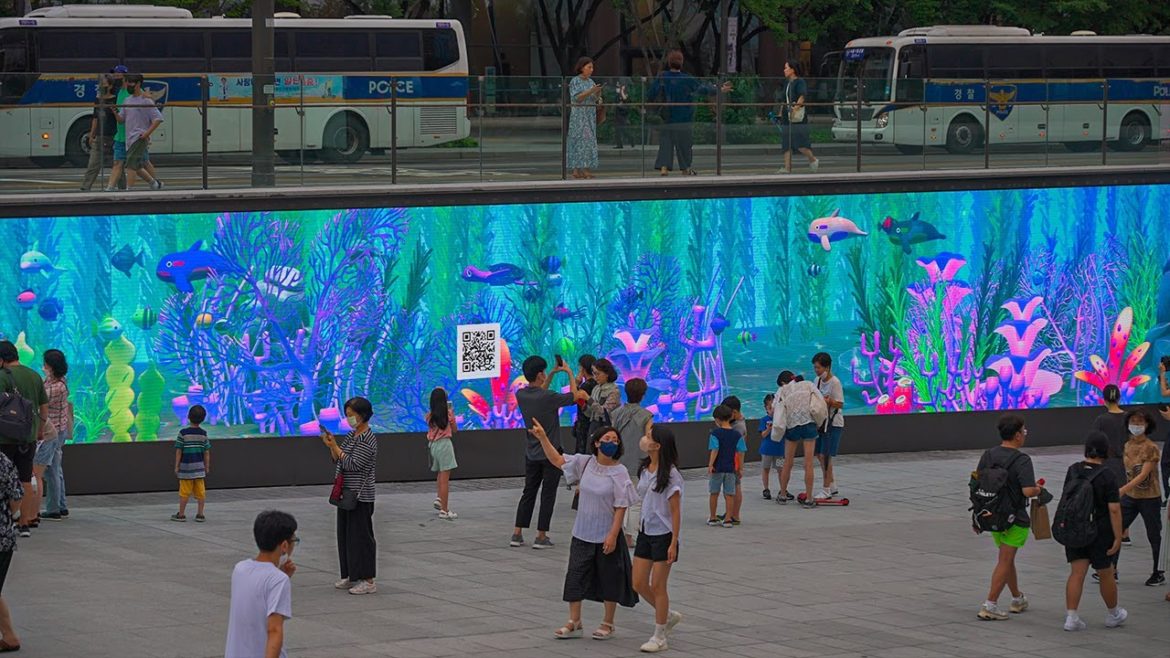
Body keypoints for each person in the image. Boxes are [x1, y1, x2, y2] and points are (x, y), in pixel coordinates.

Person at [527, 420, 638, 640]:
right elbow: (558, 460)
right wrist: (543, 438)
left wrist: (613, 535)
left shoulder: (620, 472)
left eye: (615, 440)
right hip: (582, 532)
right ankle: (574, 621)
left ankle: (608, 623)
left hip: (606, 534)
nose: (611, 443)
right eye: (607, 439)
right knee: (575, 575)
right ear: (596, 443)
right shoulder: (585, 463)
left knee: (609, 577)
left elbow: (621, 506)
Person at [512, 356, 583, 549]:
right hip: (551, 453)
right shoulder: (549, 397)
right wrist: (569, 372)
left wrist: (551, 373)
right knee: (548, 494)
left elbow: (539, 392)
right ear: (539, 374)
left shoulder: (521, 395)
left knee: (528, 492)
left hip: (531, 453)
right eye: (543, 372)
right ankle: (541, 535)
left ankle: (517, 533)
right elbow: (574, 396)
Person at [975, 414, 1040, 621]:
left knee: (1006, 558)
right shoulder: (1022, 460)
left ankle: (1017, 598)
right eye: (1024, 431)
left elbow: (978, 482)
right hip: (1015, 518)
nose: (1025, 434)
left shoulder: (988, 455)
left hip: (992, 515)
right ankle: (990, 604)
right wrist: (1038, 489)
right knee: (1005, 559)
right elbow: (1028, 491)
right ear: (1017, 435)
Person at [1062, 431, 1127, 632]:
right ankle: (1113, 614)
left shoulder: (1073, 470)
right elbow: (1114, 509)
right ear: (1106, 450)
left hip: (1076, 529)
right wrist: (1118, 536)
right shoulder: (1108, 475)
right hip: (1100, 531)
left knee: (1076, 573)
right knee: (1106, 572)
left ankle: (1071, 617)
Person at [631, 424, 683, 653]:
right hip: (645, 531)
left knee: (658, 585)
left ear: (658, 445)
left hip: (664, 534)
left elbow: (675, 511)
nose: (645, 439)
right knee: (638, 583)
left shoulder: (671, 475)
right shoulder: (645, 468)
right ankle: (667, 615)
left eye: (649, 436)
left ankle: (660, 636)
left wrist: (674, 541)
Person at [320, 397, 378, 595]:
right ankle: (351, 575)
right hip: (346, 493)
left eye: (351, 415)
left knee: (361, 537)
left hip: (360, 495)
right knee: (345, 536)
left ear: (363, 415)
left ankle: (368, 580)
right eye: (347, 415)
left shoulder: (368, 439)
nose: (349, 419)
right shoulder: (352, 435)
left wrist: (336, 448)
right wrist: (332, 446)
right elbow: (339, 459)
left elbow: (353, 464)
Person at [224, 510, 298, 658]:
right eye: (294, 541)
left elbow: (257, 596)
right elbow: (274, 630)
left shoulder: (240, 569)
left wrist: (281, 573)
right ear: (284, 545)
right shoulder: (278, 580)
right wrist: (281, 576)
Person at [648, 50, 732, 176]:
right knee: (684, 144)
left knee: (666, 141)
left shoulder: (662, 77)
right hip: (684, 117)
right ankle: (685, 168)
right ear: (681, 63)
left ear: (669, 63)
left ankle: (664, 167)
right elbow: (702, 89)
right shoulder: (687, 79)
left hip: (666, 116)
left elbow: (651, 94)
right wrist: (719, 88)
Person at [0, 340, 47, 538]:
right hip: (28, 437)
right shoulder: (34, 375)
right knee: (25, 478)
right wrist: (40, 430)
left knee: (3, 479)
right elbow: (43, 406)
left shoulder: (2, 376)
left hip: (4, 438)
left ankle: (6, 520)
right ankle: (24, 522)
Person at [1115, 409, 1164, 586]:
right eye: (1133, 422)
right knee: (1116, 530)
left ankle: (1158, 572)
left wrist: (1123, 489)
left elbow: (1143, 475)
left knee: (1154, 535)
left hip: (1150, 497)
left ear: (1147, 425)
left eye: (1140, 422)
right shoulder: (1127, 445)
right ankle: (1110, 569)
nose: (1136, 425)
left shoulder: (1151, 447)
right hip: (1130, 497)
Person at [609, 377, 652, 547]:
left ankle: (617, 533)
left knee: (618, 499)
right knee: (636, 501)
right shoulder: (646, 415)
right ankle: (629, 536)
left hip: (618, 462)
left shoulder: (616, 413)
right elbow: (649, 439)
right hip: (638, 462)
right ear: (643, 394)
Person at [775, 371, 821, 508]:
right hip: (809, 423)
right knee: (808, 463)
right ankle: (809, 498)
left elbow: (775, 408)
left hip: (792, 425)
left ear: (783, 382)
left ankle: (783, 495)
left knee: (787, 462)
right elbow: (819, 401)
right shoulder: (808, 384)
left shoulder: (783, 390)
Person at [116, 73, 164, 190]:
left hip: (139, 137)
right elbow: (121, 119)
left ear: (138, 84)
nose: (129, 86)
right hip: (129, 138)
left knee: (130, 165)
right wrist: (114, 112)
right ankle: (154, 183)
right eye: (127, 83)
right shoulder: (127, 100)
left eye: (131, 83)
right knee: (137, 165)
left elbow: (158, 118)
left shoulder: (146, 101)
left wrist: (147, 133)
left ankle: (129, 189)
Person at [39, 349, 69, 521]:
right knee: (57, 468)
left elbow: (40, 400)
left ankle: (53, 509)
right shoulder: (59, 380)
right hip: (59, 430)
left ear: (51, 366)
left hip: (53, 432)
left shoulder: (57, 387)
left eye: (45, 364)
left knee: (50, 470)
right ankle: (61, 505)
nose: (43, 366)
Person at [1091, 384, 1128, 515]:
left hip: (1106, 465)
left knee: (1106, 502)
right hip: (1126, 464)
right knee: (1123, 502)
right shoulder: (1128, 418)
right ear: (1119, 398)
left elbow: (1094, 444)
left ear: (1104, 399)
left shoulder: (1101, 420)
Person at [777, 60, 819, 174]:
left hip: (797, 117)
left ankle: (812, 159)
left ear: (792, 70)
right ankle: (787, 168)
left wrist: (795, 109)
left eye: (786, 68)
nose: (784, 70)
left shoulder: (800, 82)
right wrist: (780, 113)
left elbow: (802, 96)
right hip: (787, 116)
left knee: (800, 143)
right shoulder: (787, 83)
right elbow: (784, 100)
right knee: (786, 142)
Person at [812, 353, 845, 498]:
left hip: (833, 423)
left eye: (819, 367)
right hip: (821, 423)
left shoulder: (835, 382)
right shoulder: (817, 381)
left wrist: (829, 401)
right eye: (815, 367)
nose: (816, 370)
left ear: (827, 367)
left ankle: (826, 489)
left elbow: (840, 403)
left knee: (826, 456)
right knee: (819, 454)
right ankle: (832, 484)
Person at [707, 404, 744, 527]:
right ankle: (728, 519)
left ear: (717, 419)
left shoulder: (715, 434)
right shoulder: (737, 435)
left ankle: (713, 517)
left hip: (717, 468)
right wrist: (740, 468)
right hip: (730, 469)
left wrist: (710, 464)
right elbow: (740, 452)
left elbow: (715, 449)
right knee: (729, 494)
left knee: (714, 493)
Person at [172, 405, 211, 522]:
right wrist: (207, 466)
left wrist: (176, 466)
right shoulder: (203, 434)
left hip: (186, 469)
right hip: (199, 469)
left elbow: (179, 451)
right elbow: (207, 452)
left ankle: (181, 514)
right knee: (201, 492)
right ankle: (200, 514)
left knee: (184, 492)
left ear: (188, 416)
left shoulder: (183, 433)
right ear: (203, 418)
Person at [0, 450, 22, 652]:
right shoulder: (3, 461)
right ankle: (9, 636)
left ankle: (10, 636)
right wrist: (13, 516)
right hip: (4, 536)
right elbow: (16, 496)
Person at [567, 57, 603, 179]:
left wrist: (597, 93)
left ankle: (583, 169)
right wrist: (591, 91)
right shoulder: (575, 81)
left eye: (592, 67)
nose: (591, 70)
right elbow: (577, 98)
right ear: (582, 68)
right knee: (580, 141)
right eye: (589, 67)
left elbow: (594, 98)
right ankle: (579, 169)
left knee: (587, 141)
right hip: (579, 117)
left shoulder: (591, 81)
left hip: (589, 116)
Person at [425, 387, 458, 520]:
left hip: (433, 446)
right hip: (444, 445)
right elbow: (455, 430)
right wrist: (452, 415)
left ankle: (439, 498)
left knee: (440, 474)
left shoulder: (429, 416)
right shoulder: (448, 415)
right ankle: (444, 510)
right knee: (445, 479)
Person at [81, 75, 118, 191]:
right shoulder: (98, 99)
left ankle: (122, 187)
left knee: (117, 165)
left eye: (104, 84)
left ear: (110, 86)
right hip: (99, 135)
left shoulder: (115, 99)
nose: (101, 86)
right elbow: (95, 118)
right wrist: (92, 134)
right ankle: (85, 187)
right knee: (93, 164)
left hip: (113, 136)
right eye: (100, 84)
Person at [719, 396, 746, 524]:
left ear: (734, 412)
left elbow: (740, 449)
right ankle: (730, 512)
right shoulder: (738, 422)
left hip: (733, 461)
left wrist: (740, 466)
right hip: (731, 460)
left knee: (735, 487)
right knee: (731, 487)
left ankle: (735, 515)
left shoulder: (738, 427)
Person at [583, 358, 621, 442]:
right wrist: (583, 405)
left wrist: (588, 399)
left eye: (598, 374)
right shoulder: (596, 388)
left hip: (606, 428)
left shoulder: (614, 391)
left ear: (607, 374)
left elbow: (604, 412)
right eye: (593, 373)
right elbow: (590, 414)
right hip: (594, 426)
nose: (595, 377)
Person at [571, 354, 598, 455]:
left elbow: (572, 399)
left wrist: (576, 383)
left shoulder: (585, 386)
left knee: (582, 453)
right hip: (595, 424)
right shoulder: (597, 384)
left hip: (584, 424)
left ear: (582, 368)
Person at [758, 393, 783, 499]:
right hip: (767, 450)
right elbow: (763, 435)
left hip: (780, 450)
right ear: (766, 408)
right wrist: (768, 429)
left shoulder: (781, 419)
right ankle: (766, 489)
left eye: (774, 407)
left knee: (780, 469)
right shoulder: (764, 420)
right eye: (770, 408)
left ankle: (783, 489)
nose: (772, 410)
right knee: (766, 468)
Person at [612, 80, 631, 149]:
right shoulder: (617, 95)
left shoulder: (625, 93)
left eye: (619, 86)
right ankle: (619, 145)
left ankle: (631, 139)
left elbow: (625, 100)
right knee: (617, 130)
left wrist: (622, 91)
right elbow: (616, 103)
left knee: (624, 130)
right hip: (617, 114)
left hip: (623, 115)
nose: (617, 88)